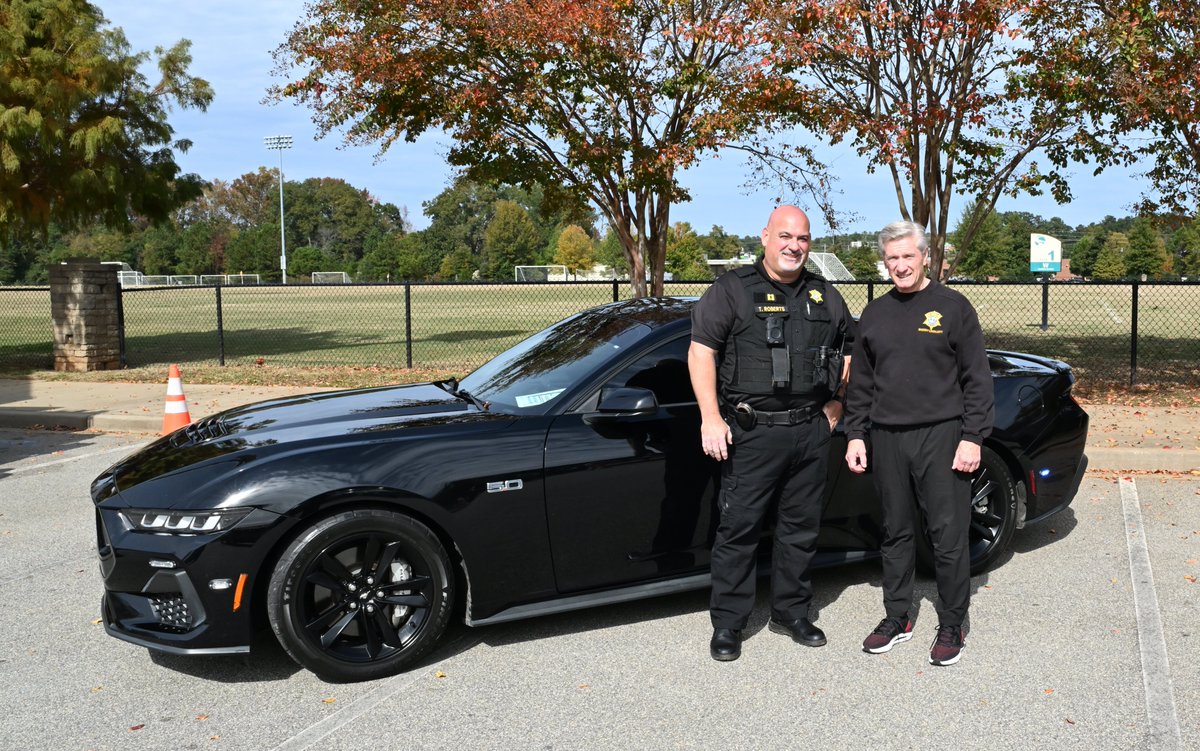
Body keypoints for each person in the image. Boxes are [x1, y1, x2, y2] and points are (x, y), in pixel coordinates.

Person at [688, 205, 854, 662]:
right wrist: (709, 417)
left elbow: (850, 348)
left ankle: (790, 612)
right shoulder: (732, 290)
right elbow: (701, 353)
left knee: (800, 529)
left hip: (810, 430)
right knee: (738, 530)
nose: (793, 246)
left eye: (802, 239)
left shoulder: (824, 295)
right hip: (752, 432)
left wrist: (838, 400)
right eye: (785, 236)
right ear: (765, 237)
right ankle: (728, 623)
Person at [843, 220, 994, 667]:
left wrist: (972, 438)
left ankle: (952, 622)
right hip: (887, 437)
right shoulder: (875, 313)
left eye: (908, 256)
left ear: (925, 256)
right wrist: (855, 433)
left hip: (942, 435)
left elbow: (976, 379)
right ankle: (898, 616)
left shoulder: (953, 307)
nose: (901, 265)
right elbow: (862, 384)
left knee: (947, 534)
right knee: (895, 531)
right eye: (892, 258)